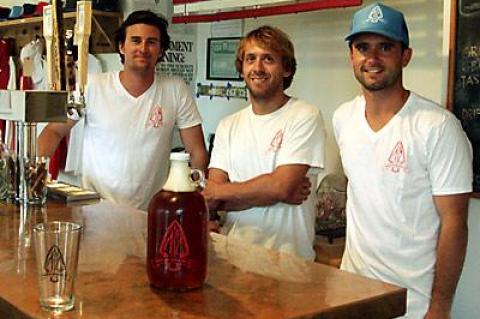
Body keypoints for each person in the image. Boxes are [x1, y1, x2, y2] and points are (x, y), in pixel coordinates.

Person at [333, 3, 473, 319]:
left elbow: (454, 225)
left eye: (385, 47)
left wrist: (440, 307)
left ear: (405, 56)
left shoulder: (437, 127)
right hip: (351, 296)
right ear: (351, 57)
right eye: (362, 47)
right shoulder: (343, 118)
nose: (372, 58)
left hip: (411, 305)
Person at [38, 10, 208, 210]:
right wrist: (35, 173)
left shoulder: (175, 89)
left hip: (150, 212)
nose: (143, 48)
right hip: (95, 209)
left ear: (161, 50)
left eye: (151, 42)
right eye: (135, 40)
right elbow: (54, 130)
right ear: (121, 46)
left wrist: (198, 198)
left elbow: (197, 151)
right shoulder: (91, 86)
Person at [203, 26, 326, 260]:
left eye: (268, 59)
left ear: (287, 69)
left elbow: (280, 186)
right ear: (242, 68)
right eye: (251, 59)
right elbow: (213, 200)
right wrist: (271, 192)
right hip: (234, 259)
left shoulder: (305, 115)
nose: (258, 68)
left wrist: (275, 190)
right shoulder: (227, 125)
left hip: (290, 264)